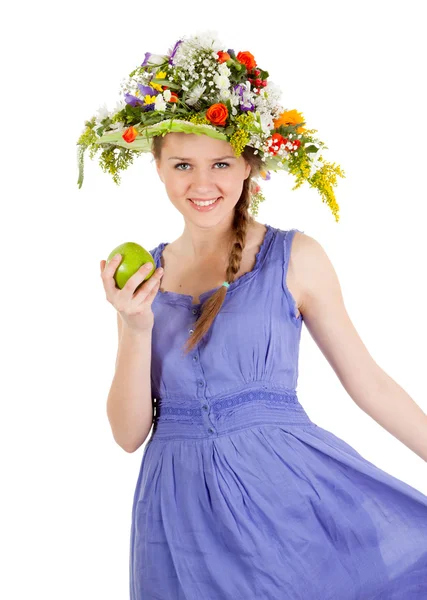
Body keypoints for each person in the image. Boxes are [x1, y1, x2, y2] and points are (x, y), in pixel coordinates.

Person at [87, 31, 427, 599]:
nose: (202, 184)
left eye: (221, 162)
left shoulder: (295, 257)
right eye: (182, 164)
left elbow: (367, 383)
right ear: (159, 168)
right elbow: (127, 436)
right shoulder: (143, 274)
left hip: (283, 503)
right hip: (176, 521)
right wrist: (134, 325)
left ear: (250, 166)